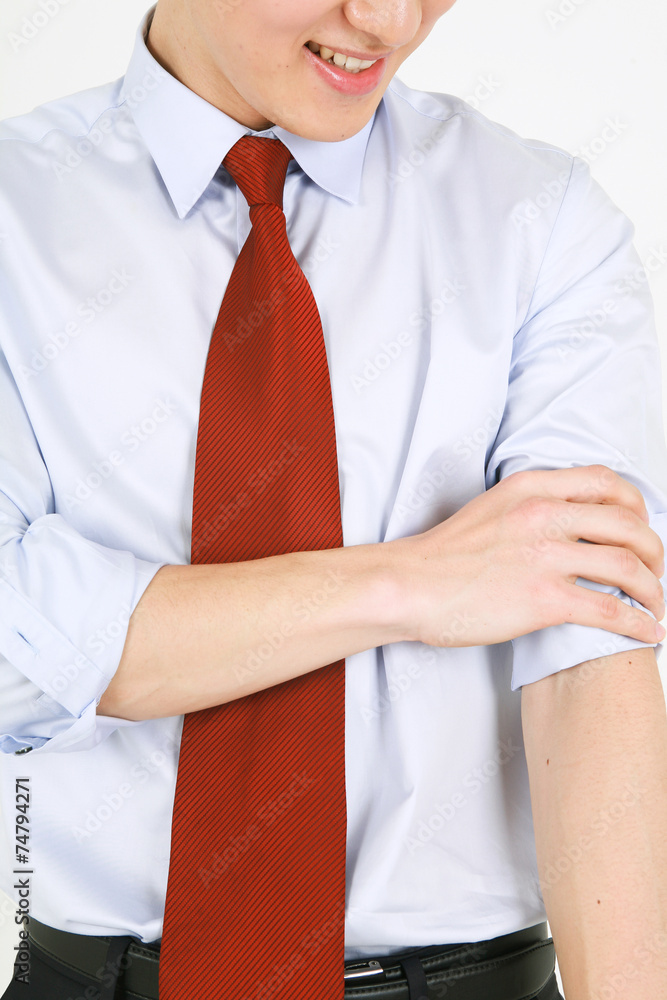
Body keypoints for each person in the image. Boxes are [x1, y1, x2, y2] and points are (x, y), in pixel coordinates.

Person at [1, 0, 667, 998]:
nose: (389, 19)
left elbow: (589, 653)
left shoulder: (538, 219)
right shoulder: (16, 211)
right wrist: (410, 585)